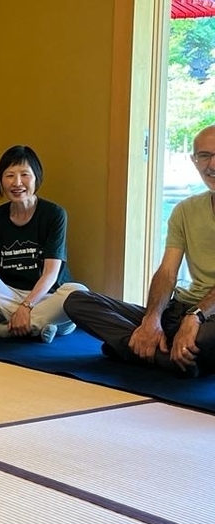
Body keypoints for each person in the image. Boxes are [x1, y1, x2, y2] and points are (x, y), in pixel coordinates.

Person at [64, 125, 215, 378]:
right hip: (179, 311)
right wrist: (152, 320)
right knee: (77, 301)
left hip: (208, 319)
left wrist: (196, 316)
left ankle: (135, 348)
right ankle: (165, 354)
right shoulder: (185, 210)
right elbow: (167, 272)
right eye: (204, 156)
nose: (211, 164)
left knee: (209, 339)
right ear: (194, 160)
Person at [0, 145, 87, 343]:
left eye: (24, 174)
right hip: (8, 294)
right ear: (0, 181)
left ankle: (4, 330)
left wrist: (27, 306)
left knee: (79, 294)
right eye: (9, 175)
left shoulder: (54, 214)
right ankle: (39, 326)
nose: (17, 182)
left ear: (36, 177)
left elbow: (51, 274)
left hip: (48, 295)